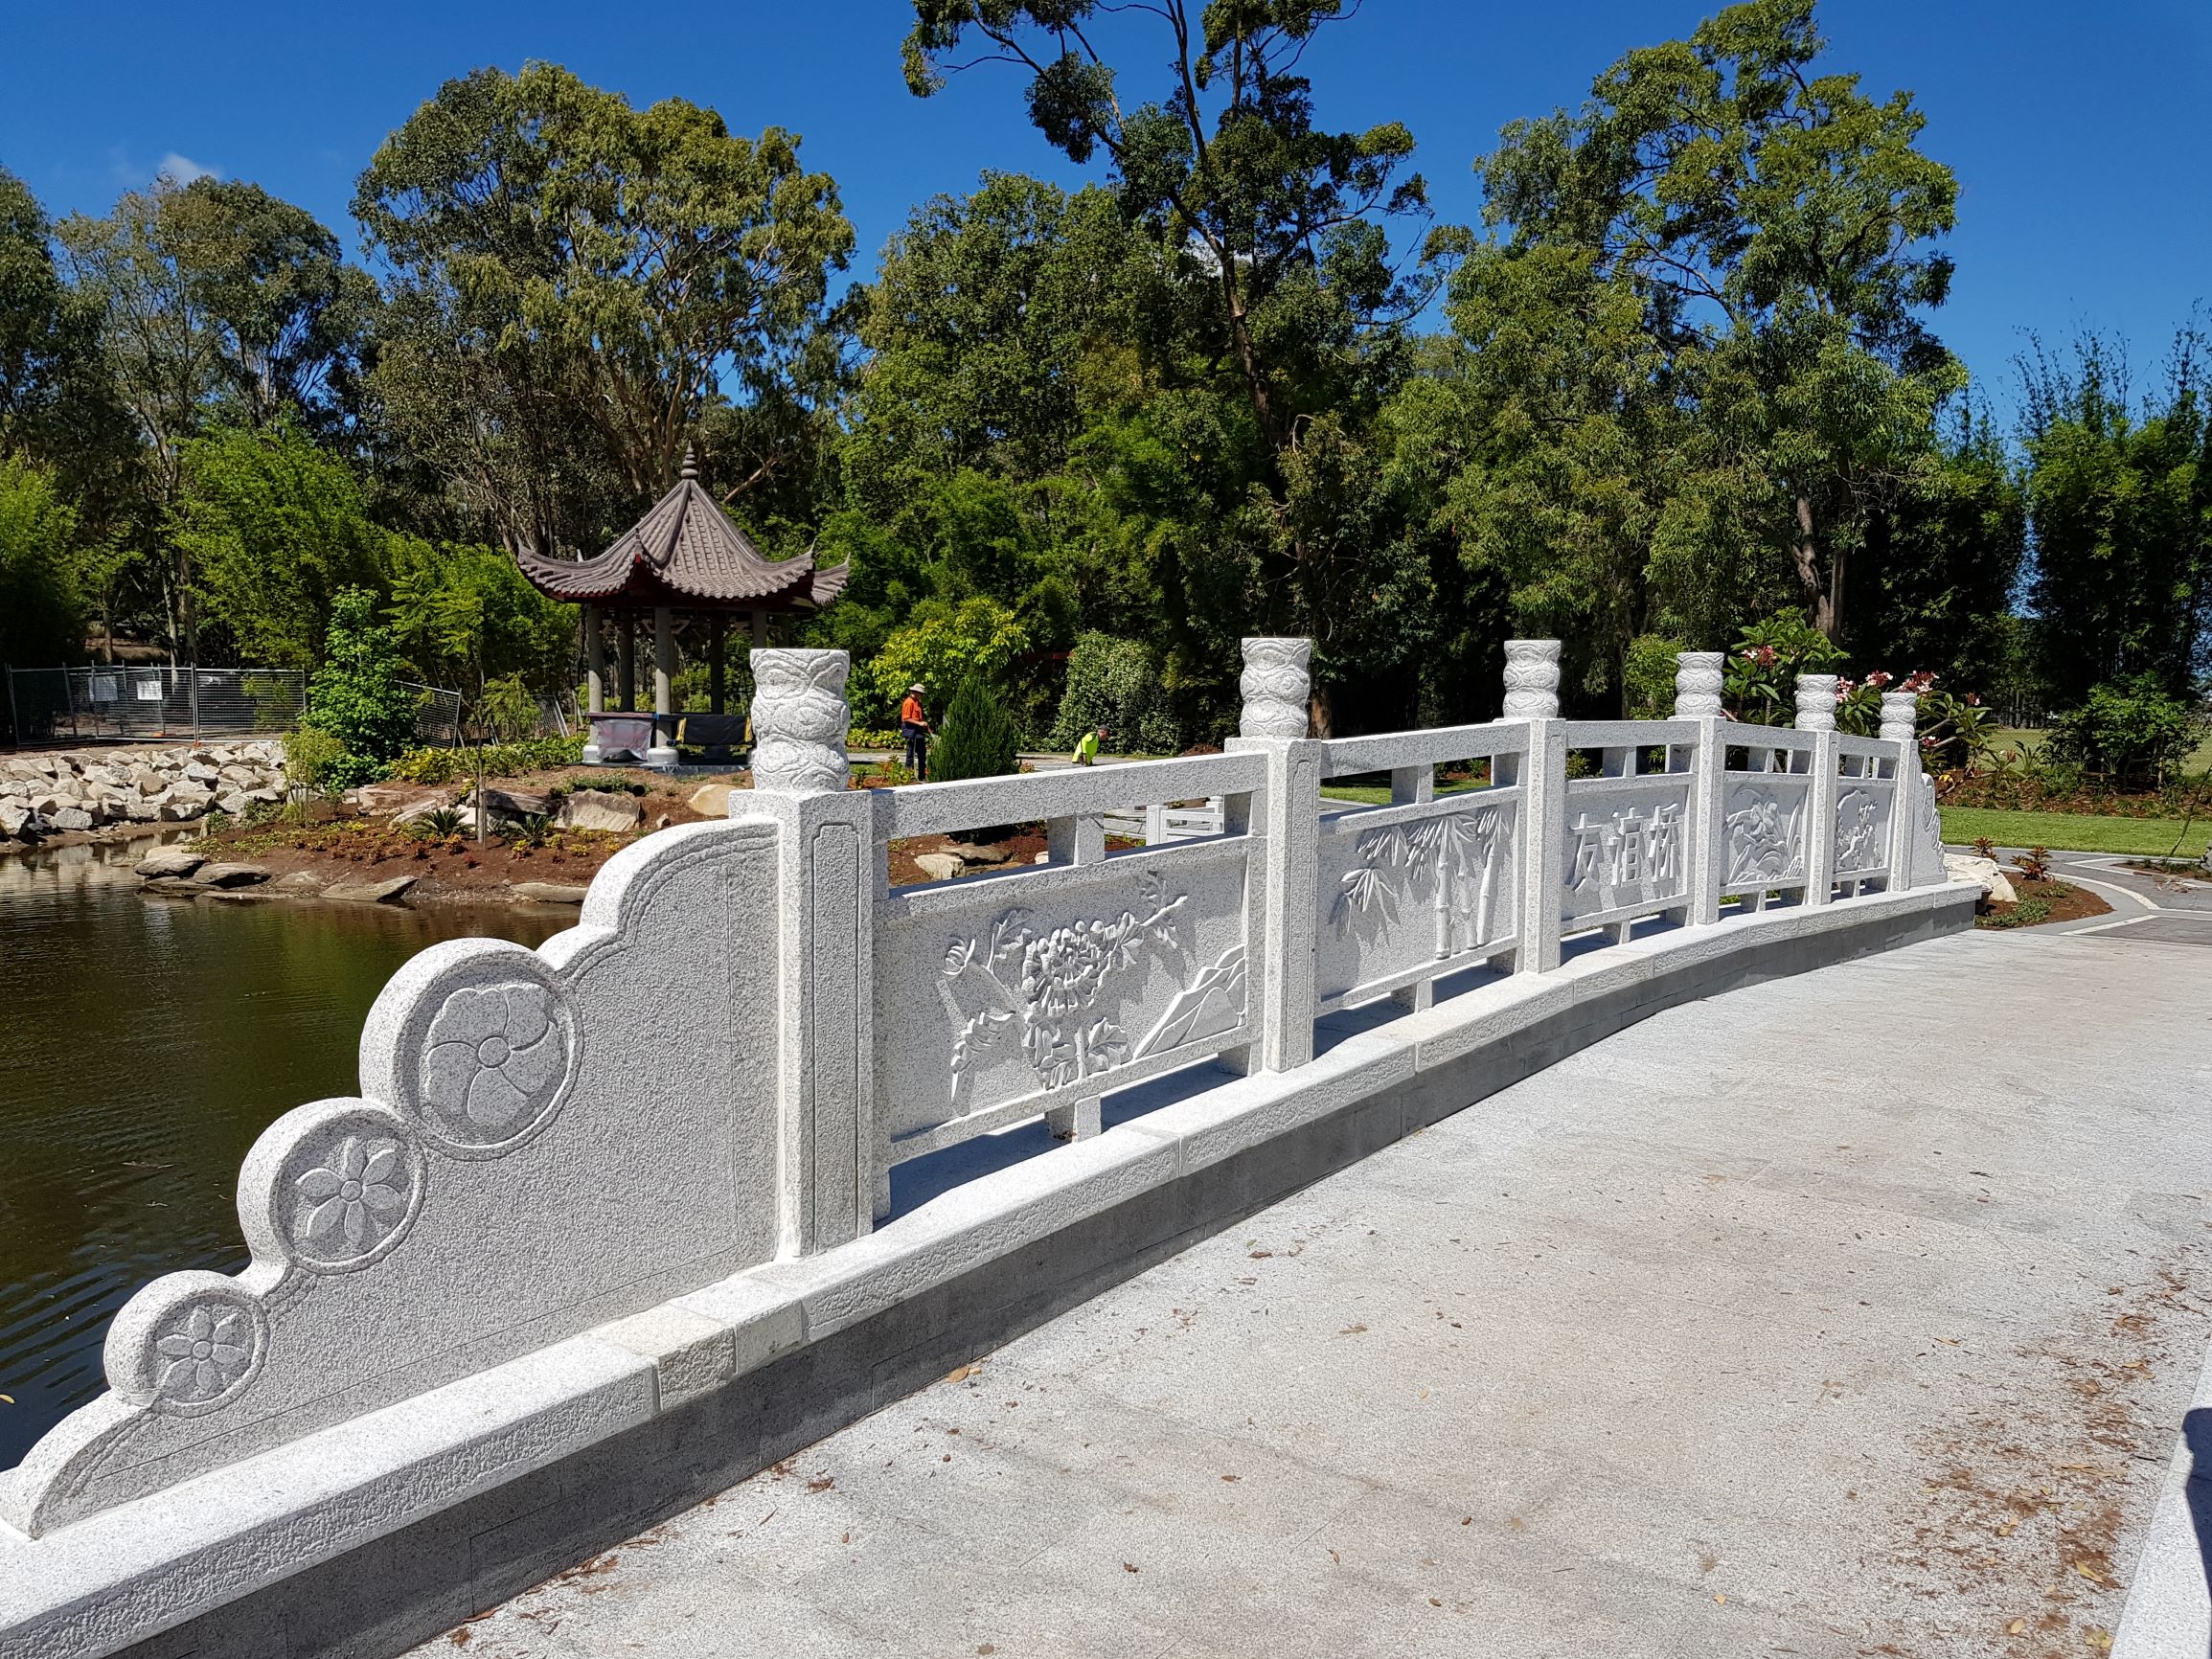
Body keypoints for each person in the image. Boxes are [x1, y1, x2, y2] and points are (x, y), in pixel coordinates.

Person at [899, 683, 931, 778]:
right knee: (911, 754)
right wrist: (919, 723)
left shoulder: (917, 702)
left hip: (917, 729)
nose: (920, 695)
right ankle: (909, 776)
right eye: (920, 693)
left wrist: (924, 725)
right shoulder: (909, 702)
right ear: (916, 692)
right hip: (910, 729)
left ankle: (922, 775)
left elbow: (918, 718)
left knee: (922, 753)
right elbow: (906, 718)